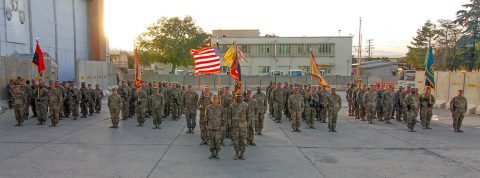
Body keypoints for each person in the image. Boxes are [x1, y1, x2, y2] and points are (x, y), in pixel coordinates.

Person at [229, 93, 248, 160]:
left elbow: (248, 115)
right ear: (235, 97)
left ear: (242, 97)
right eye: (237, 97)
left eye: (240, 97)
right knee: (235, 140)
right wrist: (230, 124)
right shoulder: (232, 105)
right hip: (235, 126)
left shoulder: (246, 105)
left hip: (243, 126)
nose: (239, 98)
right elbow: (229, 116)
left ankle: (242, 154)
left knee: (243, 140)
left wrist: (247, 124)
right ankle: (237, 153)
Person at [206, 95, 223, 159]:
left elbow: (223, 117)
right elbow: (206, 117)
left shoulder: (221, 107)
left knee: (217, 141)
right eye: (214, 99)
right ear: (212, 100)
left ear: (218, 100)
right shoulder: (208, 107)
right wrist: (206, 125)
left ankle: (217, 153)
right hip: (210, 126)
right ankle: (212, 153)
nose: (215, 100)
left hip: (218, 127)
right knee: (211, 140)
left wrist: (223, 125)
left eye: (216, 99)